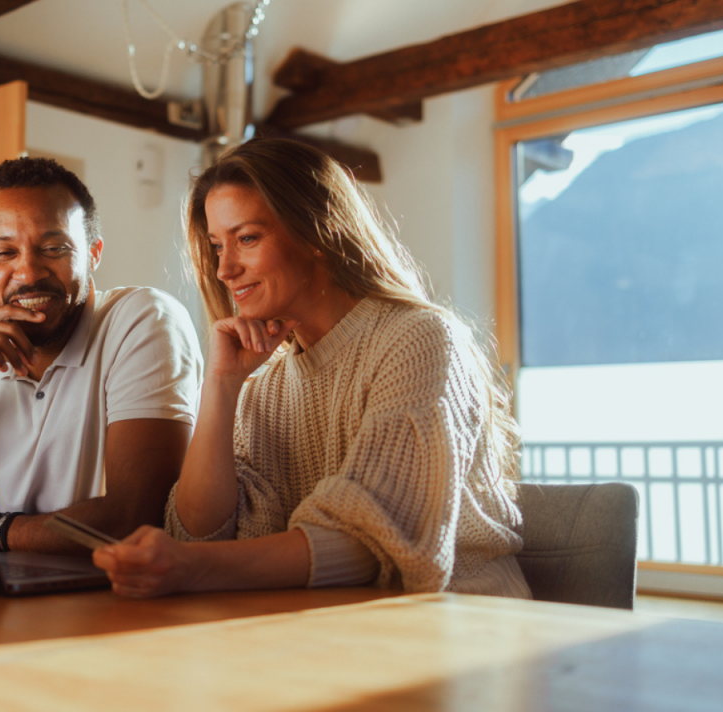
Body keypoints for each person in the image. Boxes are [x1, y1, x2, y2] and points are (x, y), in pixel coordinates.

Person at [93, 138, 531, 599]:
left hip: (467, 625)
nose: (225, 270)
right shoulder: (264, 386)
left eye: (247, 239)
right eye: (217, 246)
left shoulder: (417, 339)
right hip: (337, 628)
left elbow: (368, 546)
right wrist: (221, 386)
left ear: (317, 234)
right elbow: (199, 534)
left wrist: (191, 568)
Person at [0, 157, 202, 554]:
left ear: (94, 252)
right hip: (13, 587)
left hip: (117, 595)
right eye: (4, 253)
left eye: (53, 248)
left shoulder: (143, 319)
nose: (28, 272)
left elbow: (134, 519)